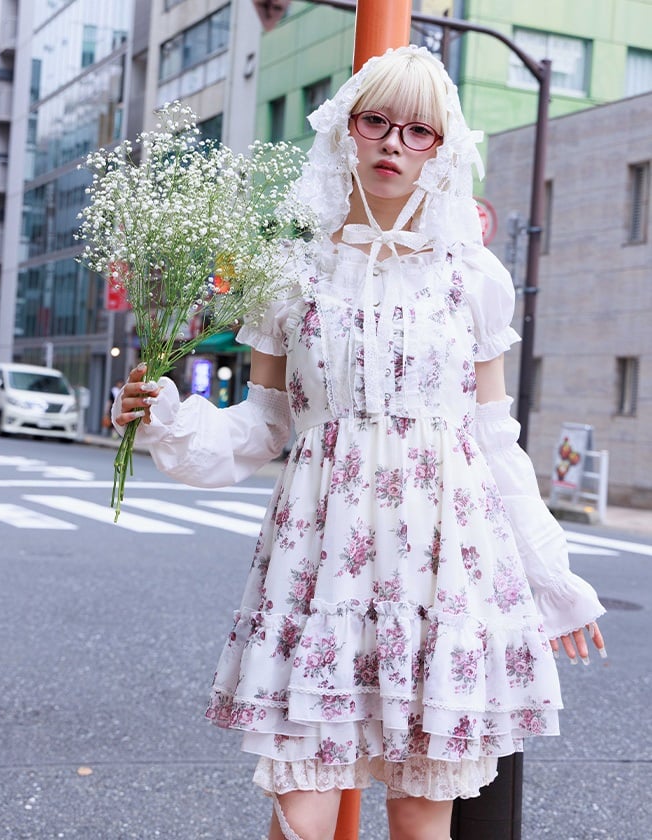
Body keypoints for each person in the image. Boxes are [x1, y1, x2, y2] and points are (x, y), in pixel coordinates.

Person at [113, 46, 606, 840]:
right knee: (302, 815)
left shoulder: (472, 274)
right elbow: (266, 423)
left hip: (443, 561)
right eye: (376, 121)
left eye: (420, 132)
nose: (393, 145)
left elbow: (494, 439)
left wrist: (555, 578)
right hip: (323, 559)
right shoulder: (292, 265)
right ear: (346, 128)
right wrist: (171, 417)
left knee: (419, 819)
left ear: (443, 149)